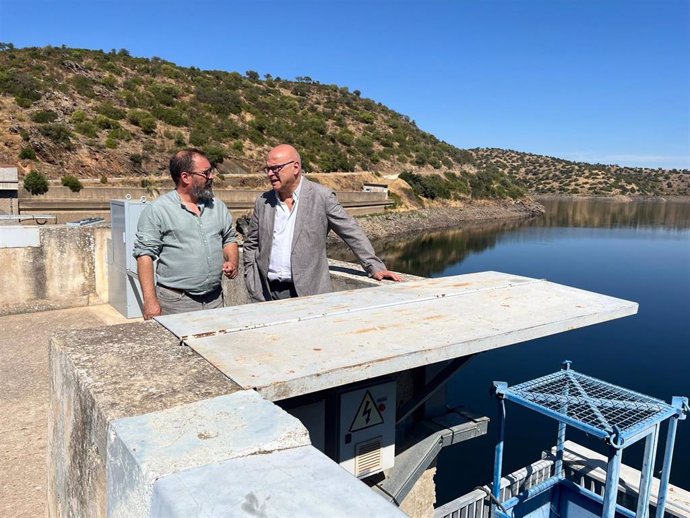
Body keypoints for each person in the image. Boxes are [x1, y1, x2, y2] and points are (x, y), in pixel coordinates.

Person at [243, 144, 401, 302]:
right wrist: (251, 280)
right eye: (267, 169)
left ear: (295, 167)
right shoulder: (263, 201)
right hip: (267, 293)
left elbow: (351, 232)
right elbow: (251, 244)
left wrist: (374, 266)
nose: (270, 174)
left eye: (275, 168)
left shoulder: (322, 197)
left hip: (309, 294)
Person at [133, 148, 239, 319]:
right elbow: (144, 255)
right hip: (176, 303)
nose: (211, 177)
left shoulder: (218, 206)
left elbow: (229, 239)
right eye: (206, 173)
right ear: (185, 177)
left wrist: (232, 262)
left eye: (211, 171)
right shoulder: (158, 210)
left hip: (215, 299)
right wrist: (150, 301)